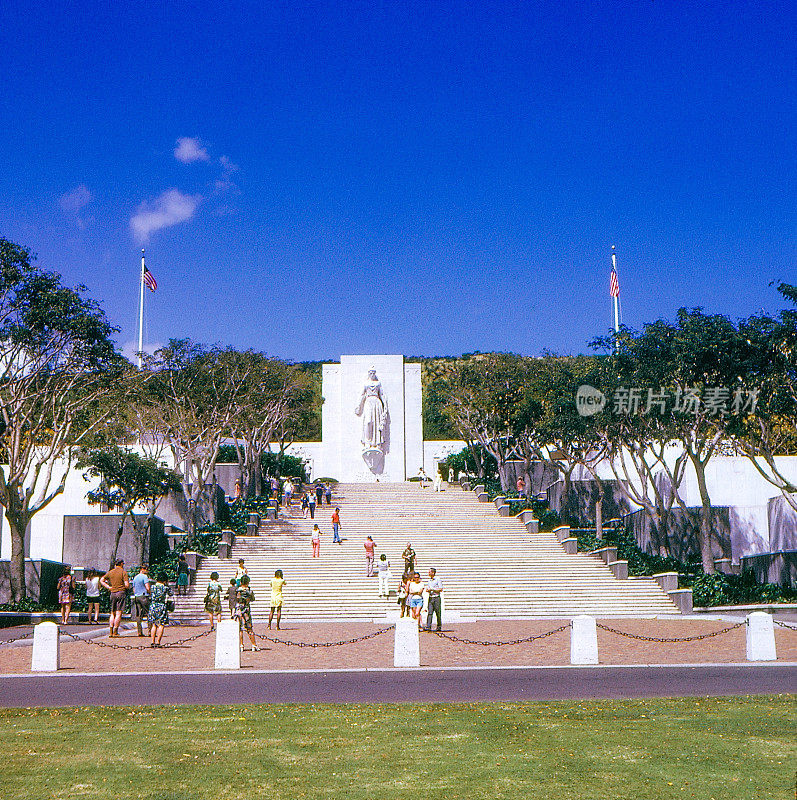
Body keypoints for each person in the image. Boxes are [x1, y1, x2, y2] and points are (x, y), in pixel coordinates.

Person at [100, 558, 130, 638]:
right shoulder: (123, 573)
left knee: (112, 613)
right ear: (121, 564)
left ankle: (110, 631)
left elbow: (102, 580)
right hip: (121, 592)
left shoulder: (110, 572)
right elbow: (127, 585)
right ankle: (115, 631)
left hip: (113, 592)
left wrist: (108, 587)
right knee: (118, 613)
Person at [234, 575, 260, 652]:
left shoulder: (238, 590)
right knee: (249, 627)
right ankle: (253, 645)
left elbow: (236, 599)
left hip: (239, 609)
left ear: (241, 582)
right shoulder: (249, 591)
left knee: (240, 629)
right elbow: (252, 599)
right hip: (246, 610)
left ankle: (241, 645)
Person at [147, 570, 173, 648]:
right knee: (161, 624)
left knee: (154, 624)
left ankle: (152, 641)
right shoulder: (165, 588)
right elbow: (171, 594)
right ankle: (158, 642)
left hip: (153, 606)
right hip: (161, 606)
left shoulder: (152, 587)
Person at [131, 565, 152, 637]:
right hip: (144, 596)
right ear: (144, 569)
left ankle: (139, 631)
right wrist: (149, 593)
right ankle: (150, 631)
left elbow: (133, 588)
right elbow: (147, 587)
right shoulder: (145, 577)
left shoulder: (135, 577)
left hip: (137, 596)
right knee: (149, 613)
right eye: (147, 569)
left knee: (138, 615)